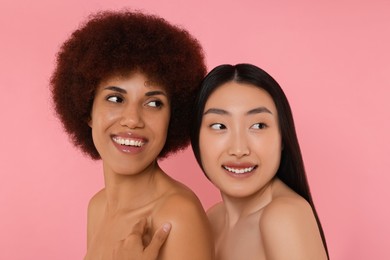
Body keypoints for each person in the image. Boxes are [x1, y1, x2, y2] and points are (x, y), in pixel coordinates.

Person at [50, 10, 214, 260]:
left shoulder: (177, 216)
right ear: (87, 111)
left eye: (153, 103)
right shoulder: (98, 207)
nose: (132, 120)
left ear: (174, 116)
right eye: (115, 98)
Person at [190, 63, 329, 259]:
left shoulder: (283, 216)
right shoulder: (212, 219)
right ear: (196, 139)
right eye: (219, 126)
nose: (239, 150)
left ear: (282, 137)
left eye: (258, 125)